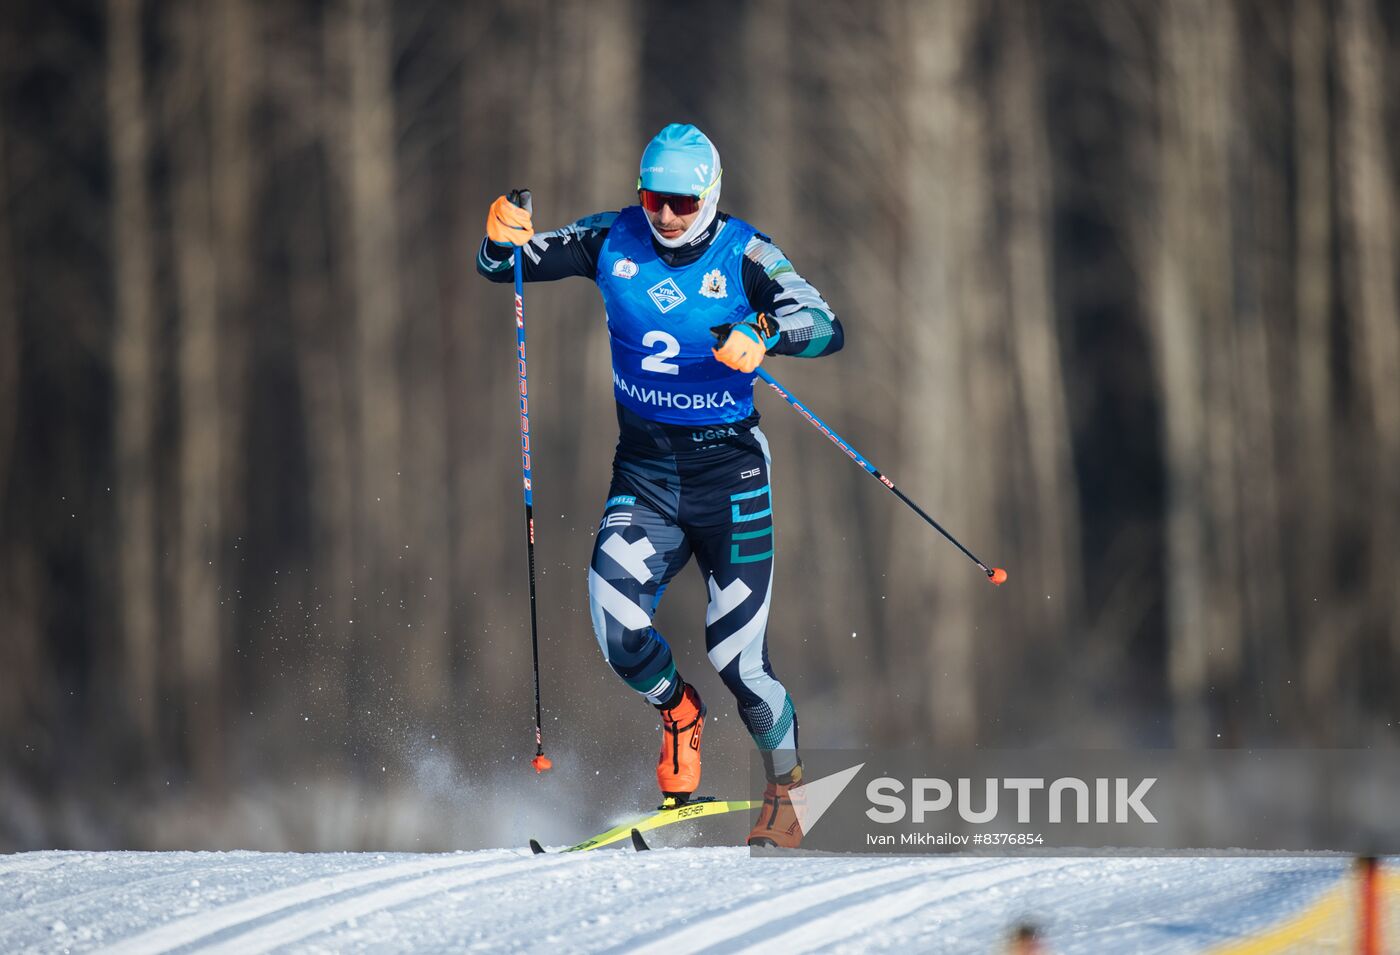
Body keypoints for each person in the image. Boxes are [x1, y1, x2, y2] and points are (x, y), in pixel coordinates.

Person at [477, 123, 843, 847]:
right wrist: (499, 236)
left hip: (730, 476)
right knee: (614, 616)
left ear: (708, 197)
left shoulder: (747, 254)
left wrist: (766, 330)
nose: (665, 215)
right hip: (645, 477)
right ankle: (679, 714)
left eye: (680, 200)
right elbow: (506, 266)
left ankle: (790, 788)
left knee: (738, 658)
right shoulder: (613, 238)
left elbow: (829, 323)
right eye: (652, 196)